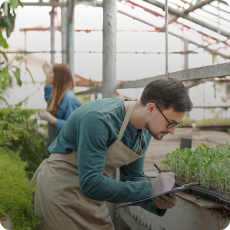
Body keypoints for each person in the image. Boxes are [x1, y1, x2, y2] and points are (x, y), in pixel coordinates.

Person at [31, 78, 193, 230]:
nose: (172, 131)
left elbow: (132, 178)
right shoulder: (99, 119)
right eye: (171, 123)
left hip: (91, 193)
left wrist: (157, 202)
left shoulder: (146, 131)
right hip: (60, 189)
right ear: (151, 109)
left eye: (177, 124)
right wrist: (150, 188)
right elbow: (91, 184)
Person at [39, 62, 81, 146]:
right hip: (56, 145)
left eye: (50, 72)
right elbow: (48, 97)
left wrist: (52, 120)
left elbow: (73, 128)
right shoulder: (58, 95)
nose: (48, 75)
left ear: (58, 77)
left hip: (66, 150)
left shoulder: (69, 99)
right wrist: (48, 80)